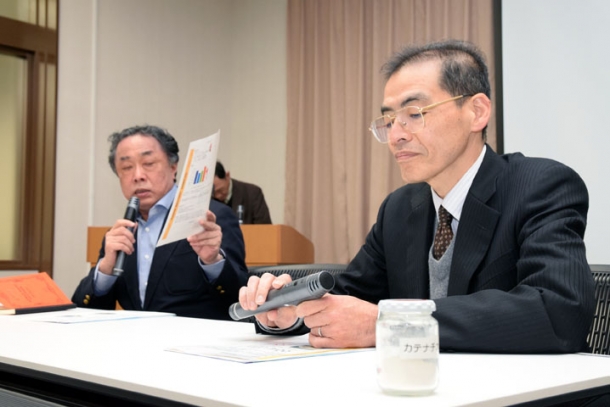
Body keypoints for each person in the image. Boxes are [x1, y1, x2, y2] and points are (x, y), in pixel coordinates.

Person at [239, 40, 596, 353]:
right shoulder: (400, 208)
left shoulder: (540, 185)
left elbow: (559, 311)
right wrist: (289, 310)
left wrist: (389, 322)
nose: (396, 136)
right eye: (389, 120)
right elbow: (350, 300)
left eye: (414, 114)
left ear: (477, 111)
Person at [73, 125, 249, 320]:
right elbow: (84, 310)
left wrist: (213, 262)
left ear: (173, 167)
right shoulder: (120, 233)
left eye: (148, 163)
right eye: (126, 167)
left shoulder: (211, 217)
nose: (138, 175)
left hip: (194, 343)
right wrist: (105, 269)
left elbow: (242, 298)